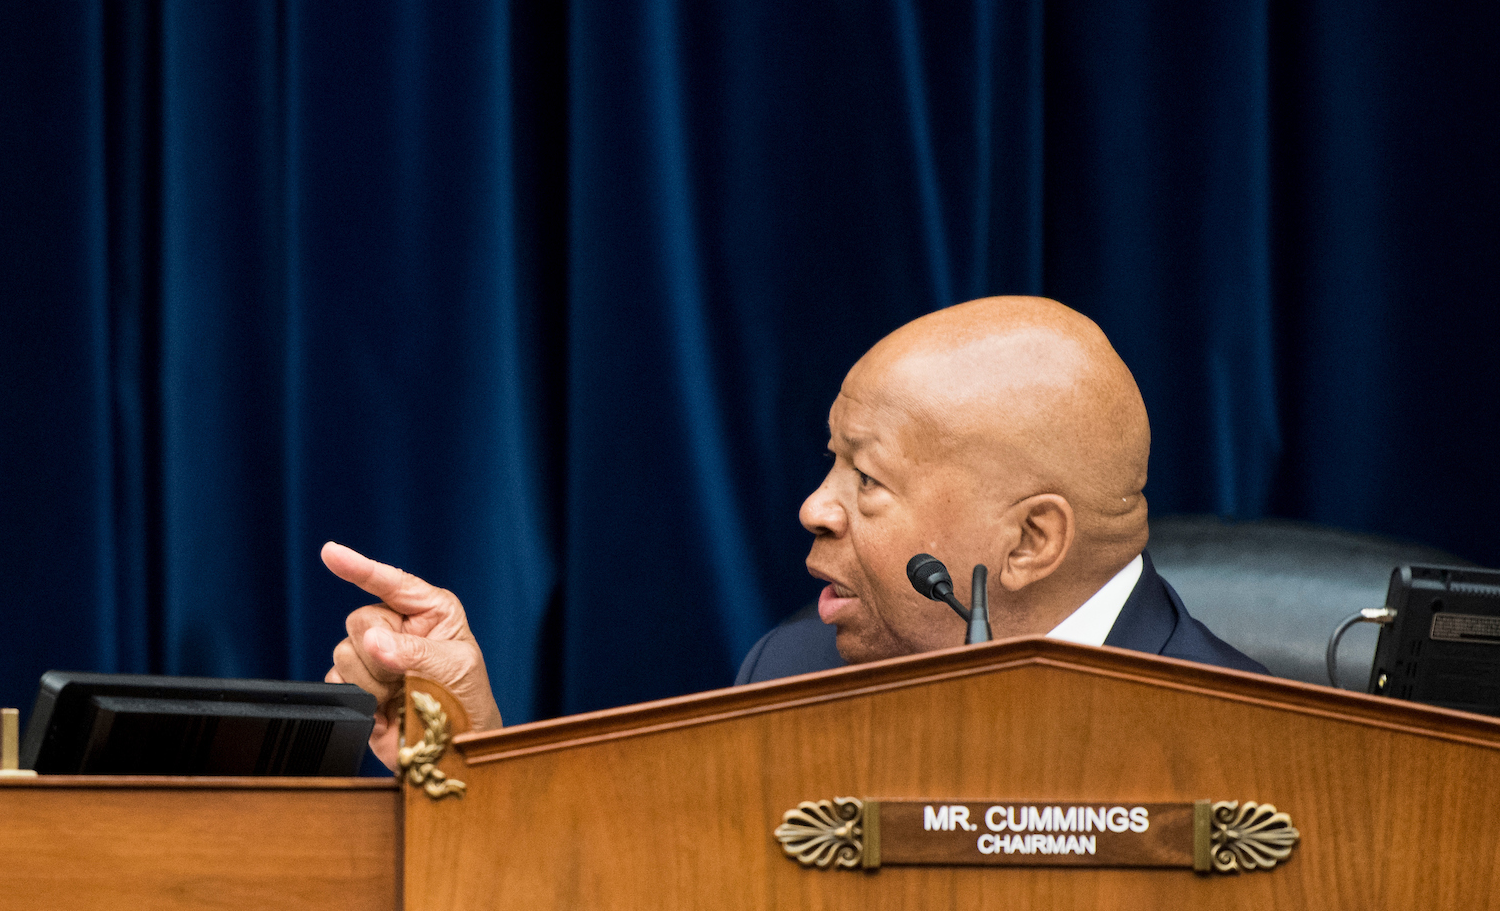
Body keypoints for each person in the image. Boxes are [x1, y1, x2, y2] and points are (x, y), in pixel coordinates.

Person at [322, 296, 1266, 770]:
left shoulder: (1266, 750)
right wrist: (464, 753)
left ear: (1029, 543)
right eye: (830, 463)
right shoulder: (794, 668)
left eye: (868, 477)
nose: (816, 507)